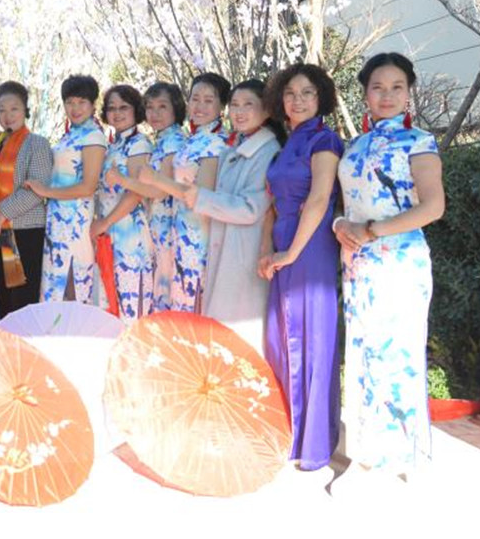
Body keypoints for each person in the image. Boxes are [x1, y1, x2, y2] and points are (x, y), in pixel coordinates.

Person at [333, 53, 444, 485]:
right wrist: (342, 226)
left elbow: (432, 207)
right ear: (364, 93)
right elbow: (347, 206)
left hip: (399, 264)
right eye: (378, 87)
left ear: (408, 92)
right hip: (358, 266)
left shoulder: (419, 141)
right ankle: (365, 454)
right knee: (363, 355)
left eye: (397, 87)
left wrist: (372, 231)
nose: (387, 95)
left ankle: (401, 458)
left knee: (397, 356)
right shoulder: (353, 146)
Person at [258, 64, 344, 473]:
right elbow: (272, 206)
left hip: (311, 247)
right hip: (283, 246)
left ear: (321, 97)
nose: (298, 100)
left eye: (308, 93)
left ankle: (314, 442)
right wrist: (267, 249)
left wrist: (291, 252)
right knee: (282, 336)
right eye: (290, 93)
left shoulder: (324, 140)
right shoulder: (284, 145)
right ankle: (288, 432)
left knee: (312, 337)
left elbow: (320, 198)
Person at [182, 79, 285, 355]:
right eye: (235, 105)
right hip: (226, 248)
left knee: (241, 335)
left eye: (248, 104)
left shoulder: (268, 151)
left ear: (266, 110)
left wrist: (201, 198)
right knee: (221, 334)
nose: (239, 112)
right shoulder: (236, 146)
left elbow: (250, 208)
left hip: (246, 251)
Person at [140, 73, 231, 313]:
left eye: (208, 100)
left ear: (222, 106)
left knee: (192, 304)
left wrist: (156, 179)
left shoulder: (216, 142)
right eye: (195, 99)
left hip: (199, 236)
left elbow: (203, 195)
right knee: (177, 301)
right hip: (180, 232)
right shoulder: (195, 139)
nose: (199, 106)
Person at [0, 81, 53, 318]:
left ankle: (24, 343)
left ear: (25, 109)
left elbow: (37, 188)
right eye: (2, 110)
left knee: (23, 304)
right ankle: (7, 342)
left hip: (25, 233)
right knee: (5, 303)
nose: (7, 116)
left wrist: (2, 214)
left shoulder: (37, 144)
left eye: (14, 109)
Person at [27, 74, 107, 303]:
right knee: (54, 286)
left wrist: (46, 192)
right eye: (70, 102)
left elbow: (88, 187)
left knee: (72, 286)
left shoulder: (93, 136)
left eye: (82, 102)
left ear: (93, 105)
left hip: (76, 222)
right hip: (56, 221)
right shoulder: (70, 135)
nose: (75, 108)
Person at [111, 82, 188, 312]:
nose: (155, 113)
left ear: (176, 108)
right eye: (150, 107)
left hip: (170, 227)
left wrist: (122, 180)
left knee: (166, 296)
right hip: (159, 226)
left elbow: (161, 190)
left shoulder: (174, 141)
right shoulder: (163, 139)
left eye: (162, 106)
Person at [90, 84, 154, 320]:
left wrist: (104, 223)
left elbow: (136, 192)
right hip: (110, 234)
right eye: (111, 108)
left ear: (136, 110)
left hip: (130, 236)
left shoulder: (139, 143)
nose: (117, 113)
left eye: (124, 107)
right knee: (110, 305)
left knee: (131, 309)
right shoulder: (112, 145)